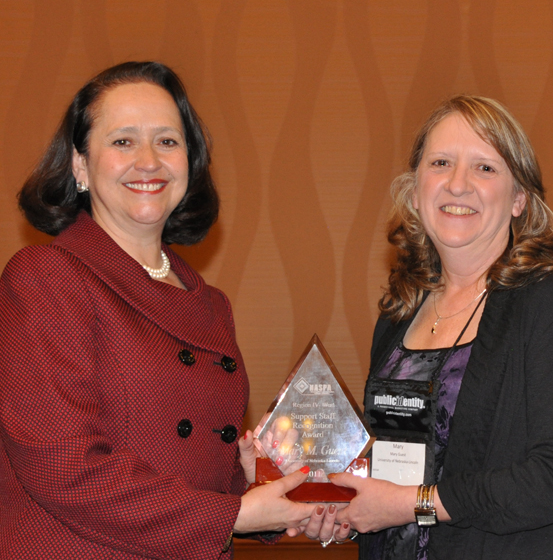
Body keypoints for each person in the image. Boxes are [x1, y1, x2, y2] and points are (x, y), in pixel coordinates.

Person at [0, 61, 345, 558]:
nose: (149, 161)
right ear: (79, 164)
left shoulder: (209, 304)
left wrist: (250, 479)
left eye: (167, 141)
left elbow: (187, 464)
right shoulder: (45, 278)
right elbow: (63, 466)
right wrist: (237, 515)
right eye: (123, 141)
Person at [330, 95, 553, 559]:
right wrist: (344, 500)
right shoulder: (401, 311)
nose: (458, 184)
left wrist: (409, 505)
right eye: (441, 163)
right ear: (416, 189)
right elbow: (404, 456)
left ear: (519, 198)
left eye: (485, 168)